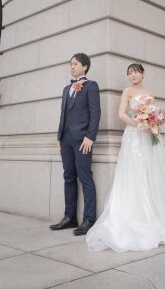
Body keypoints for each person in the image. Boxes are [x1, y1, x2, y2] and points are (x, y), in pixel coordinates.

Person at [86, 62, 165, 252]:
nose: (133, 75)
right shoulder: (127, 92)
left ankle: (154, 217)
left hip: (149, 138)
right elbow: (121, 114)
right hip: (133, 136)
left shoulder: (150, 94)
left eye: (136, 72)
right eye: (130, 73)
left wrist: (154, 124)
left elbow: (152, 115)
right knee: (134, 173)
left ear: (143, 74)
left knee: (151, 174)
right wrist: (137, 124)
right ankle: (134, 218)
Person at [50, 53, 101, 236]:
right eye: (70, 64)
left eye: (75, 64)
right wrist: (59, 136)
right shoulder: (66, 89)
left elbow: (95, 113)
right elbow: (63, 114)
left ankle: (89, 219)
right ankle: (69, 217)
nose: (72, 66)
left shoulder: (91, 87)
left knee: (85, 177)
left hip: (82, 140)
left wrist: (90, 137)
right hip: (66, 139)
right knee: (68, 177)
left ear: (85, 67)